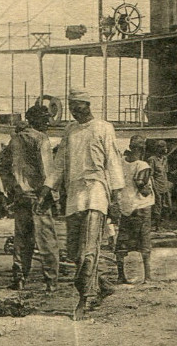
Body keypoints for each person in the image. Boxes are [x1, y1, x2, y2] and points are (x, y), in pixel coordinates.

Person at [39, 88, 124, 321]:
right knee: (75, 252)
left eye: (79, 107)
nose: (75, 112)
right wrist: (46, 191)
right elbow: (58, 166)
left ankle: (84, 299)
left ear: (88, 105)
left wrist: (116, 197)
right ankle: (102, 284)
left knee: (89, 249)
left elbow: (114, 163)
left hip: (96, 192)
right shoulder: (70, 130)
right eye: (72, 107)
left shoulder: (103, 128)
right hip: (74, 196)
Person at [0, 107, 60, 292]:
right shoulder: (41, 139)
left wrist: (12, 186)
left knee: (22, 239)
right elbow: (47, 171)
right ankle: (51, 282)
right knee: (47, 240)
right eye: (45, 119)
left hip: (21, 196)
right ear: (37, 120)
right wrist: (53, 197)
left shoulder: (15, 139)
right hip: (39, 196)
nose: (48, 123)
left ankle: (19, 279)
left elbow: (1, 164)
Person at [116, 135, 155, 284]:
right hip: (141, 205)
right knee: (144, 242)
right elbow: (141, 184)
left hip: (125, 206)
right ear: (142, 149)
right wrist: (149, 191)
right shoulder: (142, 165)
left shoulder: (121, 163)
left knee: (123, 241)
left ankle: (121, 275)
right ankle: (147, 277)